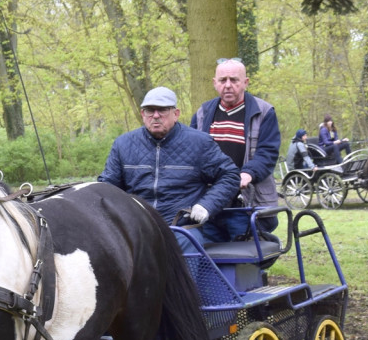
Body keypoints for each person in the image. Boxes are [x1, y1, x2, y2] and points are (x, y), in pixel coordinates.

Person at [98, 86, 241, 251]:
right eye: (150, 110)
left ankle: (189, 278)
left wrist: (206, 205)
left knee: (187, 247)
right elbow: (107, 186)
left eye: (162, 110)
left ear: (176, 114)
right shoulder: (123, 144)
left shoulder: (200, 143)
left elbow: (230, 175)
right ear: (142, 114)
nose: (156, 116)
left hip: (182, 226)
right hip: (136, 225)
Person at [191, 58, 280, 240]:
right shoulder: (203, 113)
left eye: (234, 80)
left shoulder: (264, 112)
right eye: (223, 80)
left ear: (245, 82)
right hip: (208, 202)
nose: (228, 85)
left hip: (244, 204)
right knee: (206, 257)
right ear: (215, 83)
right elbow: (191, 153)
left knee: (244, 259)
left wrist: (248, 174)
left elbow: (267, 154)